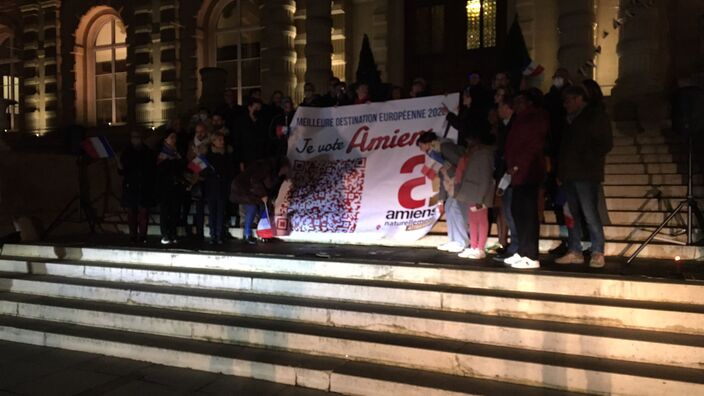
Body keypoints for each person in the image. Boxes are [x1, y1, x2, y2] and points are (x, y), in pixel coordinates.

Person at [555, 85, 613, 268]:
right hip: (570, 174)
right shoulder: (569, 121)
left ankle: (597, 251)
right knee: (571, 214)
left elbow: (605, 143)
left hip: (586, 174)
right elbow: (563, 148)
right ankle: (574, 250)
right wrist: (561, 171)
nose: (566, 105)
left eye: (569, 101)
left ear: (579, 99)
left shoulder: (595, 116)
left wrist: (585, 157)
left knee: (590, 213)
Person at [504, 90, 549, 269]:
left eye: (520, 101)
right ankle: (522, 251)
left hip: (528, 171)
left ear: (529, 102)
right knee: (517, 212)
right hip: (517, 173)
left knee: (528, 214)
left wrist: (518, 165)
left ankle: (531, 254)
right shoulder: (521, 118)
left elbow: (533, 145)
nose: (517, 105)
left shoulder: (536, 118)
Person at [416, 132, 468, 254]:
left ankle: (461, 241)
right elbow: (441, 175)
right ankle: (454, 240)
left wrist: (446, 165)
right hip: (449, 185)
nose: (421, 149)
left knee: (456, 209)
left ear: (427, 143)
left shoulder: (445, 147)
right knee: (449, 208)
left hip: (458, 183)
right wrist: (441, 199)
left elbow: (462, 165)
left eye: (421, 146)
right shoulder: (436, 153)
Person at [543, 68, 573, 255]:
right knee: (558, 204)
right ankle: (566, 240)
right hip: (554, 156)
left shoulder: (566, 101)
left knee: (569, 205)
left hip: (565, 160)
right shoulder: (551, 99)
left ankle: (575, 240)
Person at [230, 157, 289, 244]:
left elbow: (269, 186)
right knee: (252, 209)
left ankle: (264, 233)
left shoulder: (274, 172)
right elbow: (254, 180)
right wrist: (263, 195)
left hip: (254, 191)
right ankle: (247, 234)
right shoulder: (265, 167)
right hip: (244, 189)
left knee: (264, 209)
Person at [492, 97, 519, 261]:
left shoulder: (515, 125)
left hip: (513, 174)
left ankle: (516, 247)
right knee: (506, 211)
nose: (498, 111)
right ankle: (512, 245)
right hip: (504, 174)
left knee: (512, 212)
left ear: (509, 108)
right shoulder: (503, 126)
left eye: (501, 107)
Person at [118, 130, 156, 243]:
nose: (135, 139)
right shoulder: (127, 152)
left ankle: (142, 236)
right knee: (131, 213)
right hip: (131, 186)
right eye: (133, 137)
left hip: (144, 186)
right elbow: (123, 171)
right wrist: (120, 168)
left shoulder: (147, 152)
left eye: (138, 137)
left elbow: (151, 169)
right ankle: (133, 235)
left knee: (143, 212)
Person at [202, 131, 235, 244]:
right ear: (213, 141)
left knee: (221, 212)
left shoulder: (227, 155)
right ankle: (213, 235)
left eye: (222, 140)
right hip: (211, 187)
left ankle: (219, 234)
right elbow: (203, 171)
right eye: (219, 140)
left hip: (222, 187)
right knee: (212, 212)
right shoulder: (208, 156)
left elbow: (230, 171)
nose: (222, 142)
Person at [156, 131, 187, 245]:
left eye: (175, 138)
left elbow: (182, 167)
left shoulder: (177, 154)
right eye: (171, 137)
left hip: (176, 187)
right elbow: (161, 171)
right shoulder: (161, 155)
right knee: (165, 212)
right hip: (165, 188)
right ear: (165, 140)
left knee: (175, 211)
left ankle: (173, 233)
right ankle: (165, 234)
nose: (174, 140)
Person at [185, 122, 211, 240]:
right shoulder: (191, 145)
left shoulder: (210, 143)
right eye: (197, 132)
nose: (200, 134)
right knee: (199, 207)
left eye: (202, 131)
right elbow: (188, 161)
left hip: (209, 178)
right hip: (196, 179)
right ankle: (199, 232)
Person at [235, 97, 269, 172]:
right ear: (250, 108)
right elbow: (238, 142)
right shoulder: (241, 122)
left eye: (259, 108)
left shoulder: (263, 122)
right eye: (256, 107)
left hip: (260, 158)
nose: (258, 110)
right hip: (247, 158)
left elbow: (266, 141)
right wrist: (241, 161)